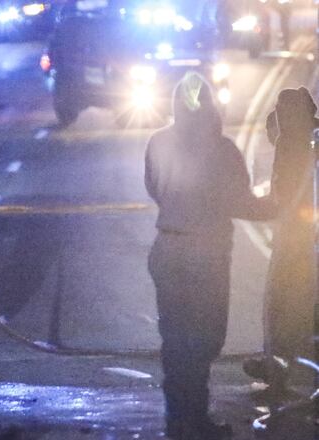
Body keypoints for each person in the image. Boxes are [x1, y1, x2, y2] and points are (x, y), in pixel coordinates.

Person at [145, 72, 276, 440]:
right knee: (205, 338)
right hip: (207, 255)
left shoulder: (157, 142)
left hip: (167, 248)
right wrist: (279, 206)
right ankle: (196, 419)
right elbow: (240, 202)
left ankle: (178, 418)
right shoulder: (223, 150)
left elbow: (154, 188)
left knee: (175, 338)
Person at [261, 87, 318, 391]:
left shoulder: (296, 144)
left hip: (294, 236)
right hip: (297, 234)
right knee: (293, 300)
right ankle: (282, 359)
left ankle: (281, 360)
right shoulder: (301, 140)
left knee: (285, 299)